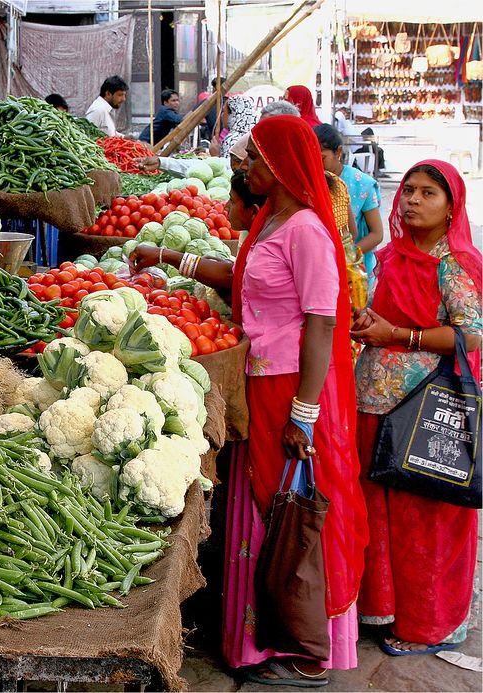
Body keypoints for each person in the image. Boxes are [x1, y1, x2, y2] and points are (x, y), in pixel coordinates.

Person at [131, 115, 368, 687]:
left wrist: (304, 414)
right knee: (261, 503)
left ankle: (307, 647)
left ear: (283, 167)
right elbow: (238, 278)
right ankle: (258, 641)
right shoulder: (271, 219)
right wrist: (166, 257)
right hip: (257, 380)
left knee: (294, 509)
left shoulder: (308, 228)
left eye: (255, 162)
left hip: (290, 386)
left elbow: (321, 323)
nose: (244, 170)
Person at [350, 160, 481, 657]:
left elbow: (472, 335)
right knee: (379, 513)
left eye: (428, 193)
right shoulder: (389, 256)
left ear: (452, 208)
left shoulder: (457, 263)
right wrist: (368, 322)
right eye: (408, 190)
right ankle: (381, 610)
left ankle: (429, 622)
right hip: (374, 401)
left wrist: (398, 335)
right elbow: (382, 312)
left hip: (428, 407)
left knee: (425, 517)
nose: (412, 200)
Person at [314, 124, 383, 286]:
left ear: (338, 152)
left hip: (352, 271)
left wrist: (346, 257)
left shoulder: (362, 184)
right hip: (319, 266)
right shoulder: (311, 182)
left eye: (321, 158)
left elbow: (376, 234)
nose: (316, 165)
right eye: (311, 159)